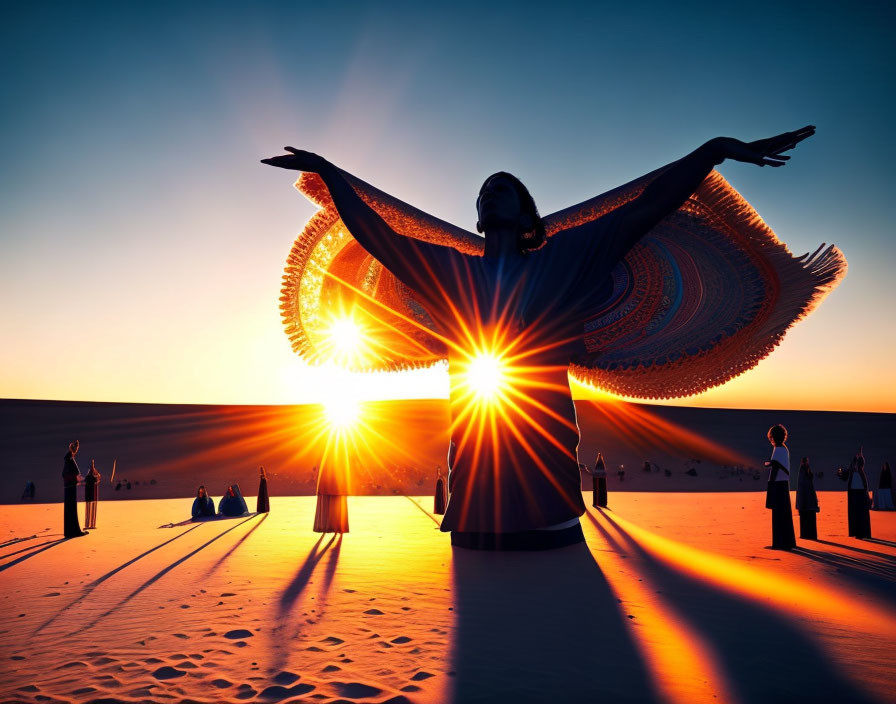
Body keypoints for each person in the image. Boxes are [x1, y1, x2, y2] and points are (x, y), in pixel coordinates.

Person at [264, 125, 835, 550]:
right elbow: (378, 235)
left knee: (562, 610)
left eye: (506, 187)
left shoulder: (563, 259)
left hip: (548, 477)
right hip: (475, 486)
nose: (493, 192)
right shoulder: (452, 272)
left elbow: (645, 209)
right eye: (486, 191)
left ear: (528, 211)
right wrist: (330, 174)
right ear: (480, 217)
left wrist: (714, 150)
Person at [764, 424, 795, 550]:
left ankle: (779, 543)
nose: (770, 440)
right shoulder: (784, 448)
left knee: (778, 515)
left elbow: (776, 468)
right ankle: (786, 542)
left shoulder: (778, 449)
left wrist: (770, 483)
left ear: (773, 437)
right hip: (783, 484)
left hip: (778, 484)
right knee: (784, 514)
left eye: (771, 437)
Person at [840, 449, 872, 538]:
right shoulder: (853, 472)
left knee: (861, 514)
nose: (855, 466)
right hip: (854, 493)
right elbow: (844, 476)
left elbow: (865, 486)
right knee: (855, 514)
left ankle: (863, 533)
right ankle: (857, 533)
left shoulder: (861, 473)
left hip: (860, 493)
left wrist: (859, 457)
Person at [313, 458, 349, 534]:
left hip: (332, 477)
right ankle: (335, 525)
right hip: (332, 477)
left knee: (333, 494)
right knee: (334, 494)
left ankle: (332, 525)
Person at [62, 441, 88, 538]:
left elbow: (66, 475)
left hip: (68, 488)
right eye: (76, 449)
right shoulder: (70, 460)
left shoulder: (67, 460)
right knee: (71, 509)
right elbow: (76, 475)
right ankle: (74, 531)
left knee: (69, 510)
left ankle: (70, 531)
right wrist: (85, 479)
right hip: (71, 488)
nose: (76, 451)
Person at [794, 456, 819, 540]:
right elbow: (804, 486)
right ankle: (808, 535)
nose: (806, 463)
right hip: (806, 500)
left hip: (807, 501)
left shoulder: (805, 470)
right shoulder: (803, 470)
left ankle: (808, 535)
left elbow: (807, 484)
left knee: (808, 517)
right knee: (807, 517)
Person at [84, 459, 101, 529]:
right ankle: (92, 525)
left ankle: (87, 524)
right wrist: (97, 475)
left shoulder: (87, 477)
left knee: (87, 510)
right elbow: (98, 479)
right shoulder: (93, 477)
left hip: (88, 497)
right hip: (93, 496)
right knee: (93, 510)